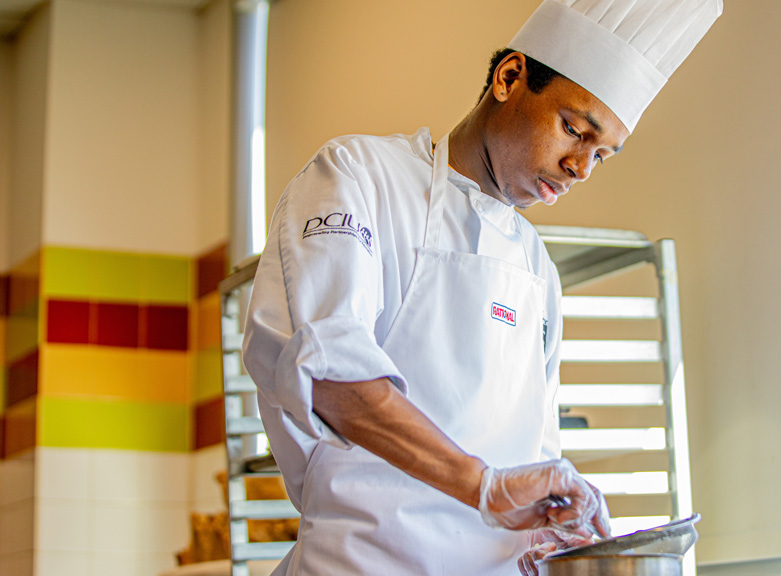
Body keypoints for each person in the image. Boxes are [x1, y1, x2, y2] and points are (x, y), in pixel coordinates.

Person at [241, 1, 722, 574]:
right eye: (574, 129)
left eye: (601, 154)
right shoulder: (359, 177)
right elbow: (331, 377)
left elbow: (536, 451)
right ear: (510, 77)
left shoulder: (537, 269)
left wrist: (556, 524)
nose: (580, 167)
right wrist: (483, 486)